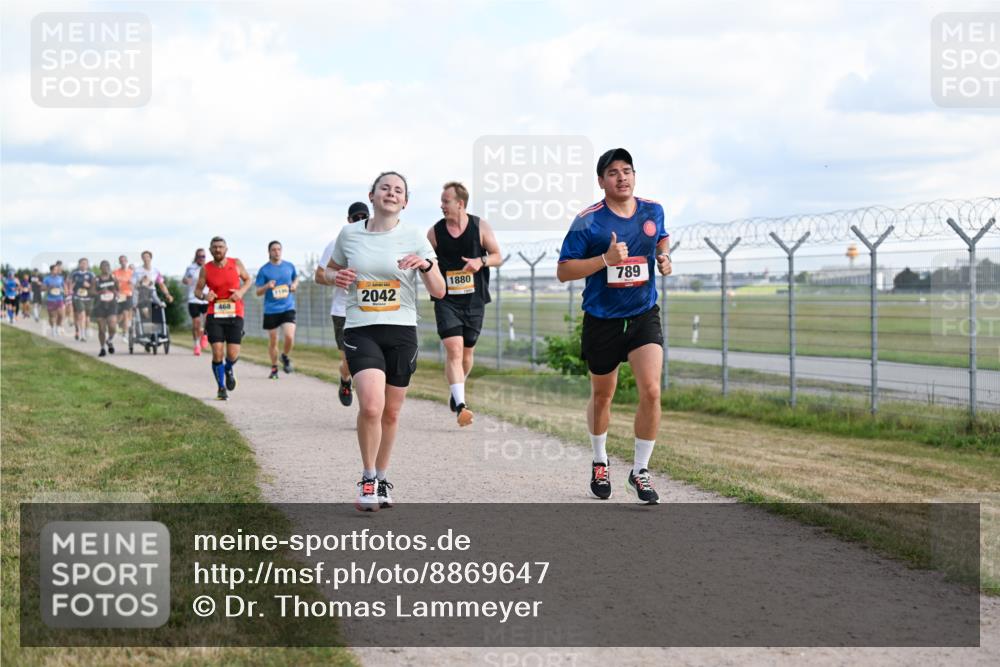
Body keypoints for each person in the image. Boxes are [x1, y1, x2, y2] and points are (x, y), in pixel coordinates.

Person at [556, 148, 672, 505]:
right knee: (603, 395)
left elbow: (661, 238)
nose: (621, 177)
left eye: (627, 171)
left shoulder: (653, 210)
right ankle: (600, 460)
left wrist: (665, 256)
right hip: (602, 320)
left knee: (651, 391)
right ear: (601, 181)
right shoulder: (587, 221)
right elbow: (563, 271)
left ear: (634, 176)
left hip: (642, 314)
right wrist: (605, 260)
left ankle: (639, 472)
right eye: (613, 173)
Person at [325, 171, 445, 511]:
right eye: (385, 188)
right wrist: (338, 276)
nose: (391, 193)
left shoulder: (414, 236)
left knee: (391, 412)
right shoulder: (349, 235)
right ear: (373, 195)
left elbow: (439, 290)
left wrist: (425, 265)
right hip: (361, 328)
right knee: (372, 406)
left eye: (398, 190)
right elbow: (327, 273)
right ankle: (366, 477)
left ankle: (381, 476)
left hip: (401, 330)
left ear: (405, 202)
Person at [427, 181, 503, 427]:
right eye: (441, 201)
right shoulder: (435, 233)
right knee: (454, 351)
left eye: (445, 201)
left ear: (459, 203)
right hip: (446, 300)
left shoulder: (480, 226)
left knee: (467, 353)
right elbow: (425, 260)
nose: (441, 206)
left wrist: (480, 261)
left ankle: (457, 387)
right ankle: (461, 405)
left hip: (474, 299)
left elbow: (497, 256)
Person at [316, 201, 369, 405]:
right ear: (348, 221)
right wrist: (337, 276)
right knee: (349, 362)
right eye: (356, 217)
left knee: (368, 362)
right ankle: (345, 379)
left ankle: (367, 410)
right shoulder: (337, 243)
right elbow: (319, 275)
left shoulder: (379, 243)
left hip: (370, 309)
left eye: (364, 216)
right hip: (343, 311)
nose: (360, 220)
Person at [196, 237, 251, 400]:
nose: (218, 250)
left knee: (232, 354)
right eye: (214, 247)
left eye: (221, 247)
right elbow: (197, 291)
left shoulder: (236, 263)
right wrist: (205, 296)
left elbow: (248, 280)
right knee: (217, 352)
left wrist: (240, 292)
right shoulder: (205, 269)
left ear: (226, 249)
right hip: (215, 313)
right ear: (210, 250)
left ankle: (228, 369)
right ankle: (221, 388)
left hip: (235, 312)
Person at [255, 240, 299, 379]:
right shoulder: (264, 270)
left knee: (289, 336)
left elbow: (296, 278)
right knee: (273, 340)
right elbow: (258, 292)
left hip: (287, 307)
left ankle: (284, 356)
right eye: (274, 249)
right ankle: (274, 367)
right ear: (269, 252)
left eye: (279, 249)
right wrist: (267, 286)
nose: (277, 252)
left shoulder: (289, 266)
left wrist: (294, 285)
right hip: (271, 309)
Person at [182, 249, 210, 356]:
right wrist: (186, 281)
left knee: (208, 320)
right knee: (196, 323)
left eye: (203, 256)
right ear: (196, 257)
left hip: (206, 298)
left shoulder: (208, 267)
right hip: (193, 298)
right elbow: (184, 279)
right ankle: (197, 345)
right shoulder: (191, 268)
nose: (201, 258)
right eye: (199, 256)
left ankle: (205, 335)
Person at [91, 260, 119, 356]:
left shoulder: (113, 278)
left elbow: (117, 289)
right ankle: (102, 348)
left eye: (107, 266)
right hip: (100, 305)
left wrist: (115, 293)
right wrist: (100, 293)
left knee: (112, 326)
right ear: (100, 268)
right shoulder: (96, 279)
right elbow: (91, 291)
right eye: (104, 266)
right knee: (101, 329)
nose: (106, 267)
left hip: (112, 304)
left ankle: (109, 340)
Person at [69, 258, 95, 341]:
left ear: (87, 265)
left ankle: (87, 328)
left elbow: (95, 287)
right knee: (81, 315)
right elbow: (70, 284)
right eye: (82, 263)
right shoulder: (75, 274)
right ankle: (82, 335)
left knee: (87, 316)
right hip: (78, 297)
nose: (83, 265)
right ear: (79, 264)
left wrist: (89, 286)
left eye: (85, 263)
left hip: (88, 298)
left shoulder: (91, 274)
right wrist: (70, 290)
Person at [113, 256, 135, 338]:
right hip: (120, 295)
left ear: (127, 261)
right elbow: (112, 286)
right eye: (121, 261)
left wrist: (131, 283)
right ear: (119, 262)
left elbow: (135, 285)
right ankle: (115, 327)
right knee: (120, 314)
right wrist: (116, 292)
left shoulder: (131, 272)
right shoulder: (115, 272)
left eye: (124, 260)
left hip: (129, 294)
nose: (123, 262)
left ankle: (125, 334)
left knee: (126, 314)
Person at [43, 264, 66, 336]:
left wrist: (64, 291)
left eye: (58, 269)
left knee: (61, 315)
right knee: (52, 316)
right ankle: (53, 330)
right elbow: (43, 288)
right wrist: (49, 287)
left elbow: (64, 287)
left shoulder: (60, 278)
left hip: (59, 298)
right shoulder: (46, 279)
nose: (57, 271)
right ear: (52, 270)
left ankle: (58, 328)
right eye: (56, 269)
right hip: (50, 299)